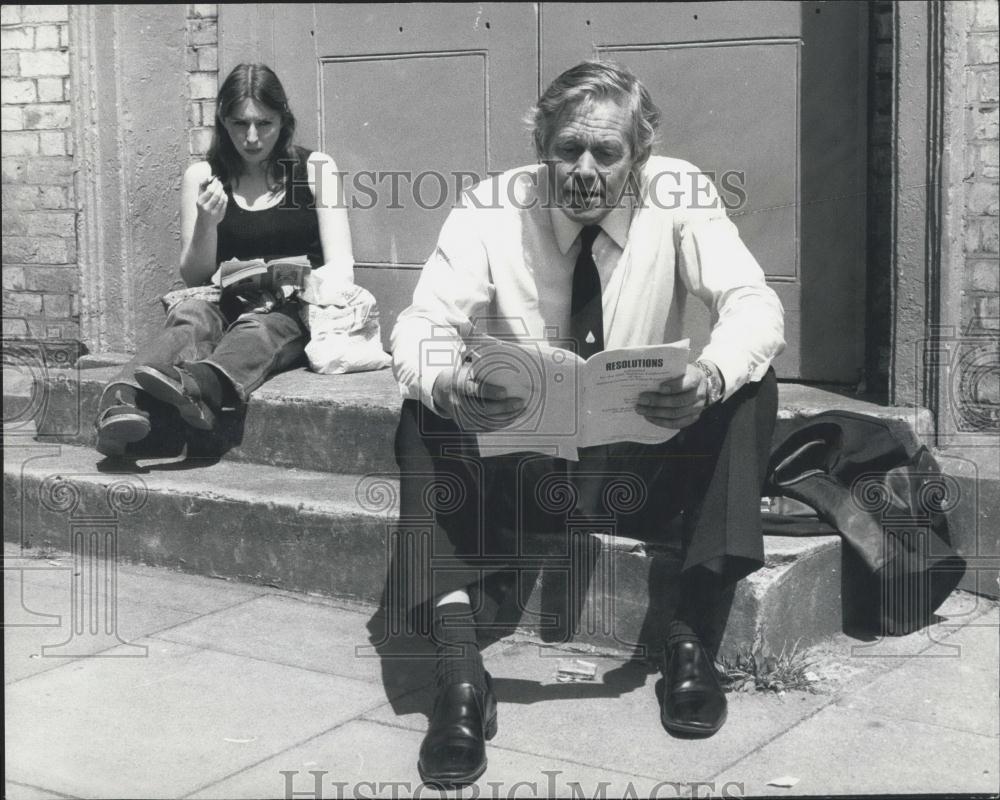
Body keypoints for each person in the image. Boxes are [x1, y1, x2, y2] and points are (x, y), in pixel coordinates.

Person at [390, 61, 785, 787]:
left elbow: (754, 303)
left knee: (750, 385)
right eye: (566, 149)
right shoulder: (491, 207)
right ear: (540, 148)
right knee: (424, 407)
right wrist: (452, 383)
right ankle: (459, 674)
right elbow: (421, 323)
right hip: (524, 471)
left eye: (607, 152)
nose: (584, 170)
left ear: (640, 156)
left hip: (642, 466)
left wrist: (708, 376)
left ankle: (690, 640)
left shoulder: (680, 192)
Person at [94, 63, 353, 457]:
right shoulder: (202, 176)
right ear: (222, 122)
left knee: (259, 328)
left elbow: (341, 267)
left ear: (283, 119)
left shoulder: (316, 169)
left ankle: (202, 385)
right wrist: (206, 224)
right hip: (223, 301)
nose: (252, 137)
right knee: (191, 315)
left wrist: (288, 284)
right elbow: (194, 276)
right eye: (239, 124)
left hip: (290, 310)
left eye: (264, 123)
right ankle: (122, 401)